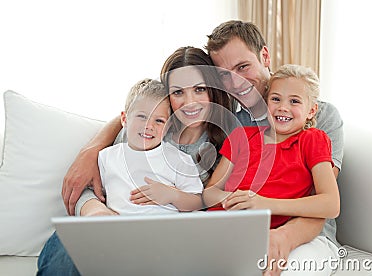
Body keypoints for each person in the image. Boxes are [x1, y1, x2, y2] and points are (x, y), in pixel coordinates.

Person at [37, 46, 235, 275]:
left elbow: (198, 208)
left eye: (199, 89)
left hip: (161, 236)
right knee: (62, 260)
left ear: (213, 90)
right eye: (178, 92)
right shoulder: (142, 131)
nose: (190, 102)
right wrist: (95, 211)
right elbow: (97, 182)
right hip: (108, 224)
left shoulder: (221, 147)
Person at [205, 20, 344, 275]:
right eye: (225, 75)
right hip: (240, 229)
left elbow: (317, 199)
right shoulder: (235, 125)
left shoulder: (319, 120)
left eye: (243, 66)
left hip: (306, 234)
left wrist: (284, 236)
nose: (235, 82)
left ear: (265, 56)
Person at [99, 78, 203, 215]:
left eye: (159, 121)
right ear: (124, 119)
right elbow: (98, 194)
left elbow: (197, 203)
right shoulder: (107, 157)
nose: (149, 126)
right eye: (142, 117)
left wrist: (172, 195)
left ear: (167, 128)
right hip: (121, 229)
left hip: (166, 227)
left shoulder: (179, 159)